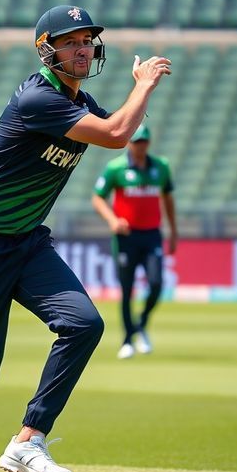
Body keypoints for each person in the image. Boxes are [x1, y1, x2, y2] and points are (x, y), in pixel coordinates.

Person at [0, 5, 171, 472]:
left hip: (27, 242)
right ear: (46, 49)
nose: (82, 49)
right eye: (70, 41)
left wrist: (133, 99)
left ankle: (28, 440)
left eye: (87, 41)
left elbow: (116, 135)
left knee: (84, 324)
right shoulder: (39, 98)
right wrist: (142, 85)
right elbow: (119, 133)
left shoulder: (79, 100)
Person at [91, 123, 177, 360]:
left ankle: (141, 324)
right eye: (137, 141)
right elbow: (98, 198)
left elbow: (168, 199)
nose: (141, 146)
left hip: (152, 235)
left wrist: (174, 231)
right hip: (126, 236)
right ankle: (128, 338)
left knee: (157, 284)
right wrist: (112, 220)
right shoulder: (116, 168)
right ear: (129, 142)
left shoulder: (161, 167)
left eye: (144, 142)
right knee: (127, 289)